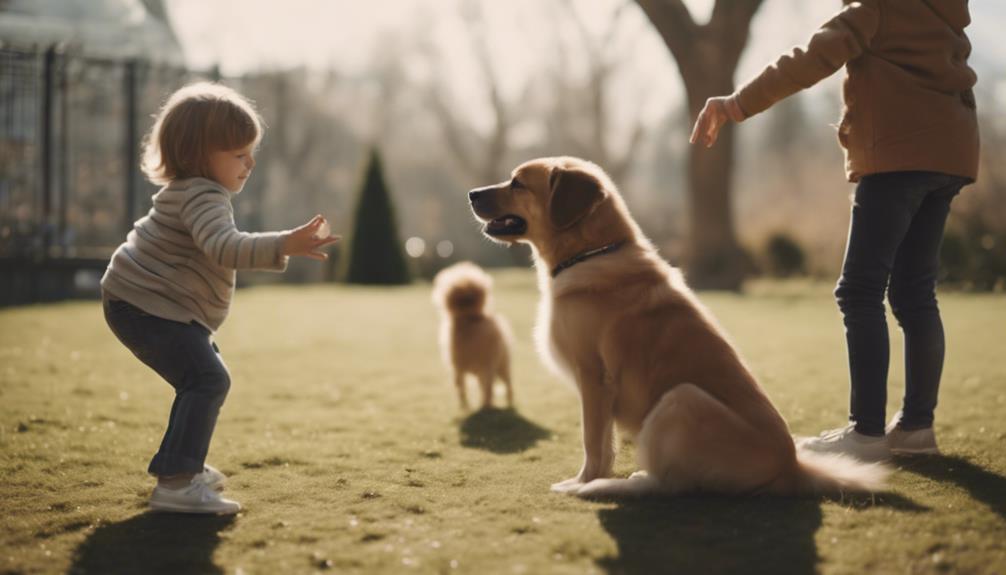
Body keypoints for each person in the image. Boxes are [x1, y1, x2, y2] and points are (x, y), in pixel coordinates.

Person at [690, 1, 978, 461]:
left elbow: (812, 56)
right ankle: (916, 429)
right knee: (914, 294)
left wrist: (736, 104)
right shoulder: (940, 9)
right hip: (950, 153)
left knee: (859, 290)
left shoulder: (877, 6)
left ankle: (865, 434)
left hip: (896, 152)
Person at [101, 82, 339, 513]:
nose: (249, 163)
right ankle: (176, 483)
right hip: (144, 306)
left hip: (141, 303)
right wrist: (286, 242)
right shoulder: (203, 195)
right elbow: (224, 247)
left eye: (251, 152)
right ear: (197, 154)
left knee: (203, 375)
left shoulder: (192, 191)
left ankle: (181, 464)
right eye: (237, 154)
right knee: (207, 379)